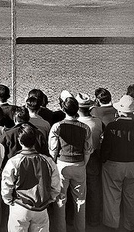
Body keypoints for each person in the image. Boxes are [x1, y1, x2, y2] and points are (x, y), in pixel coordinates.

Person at [1, 124, 61, 232]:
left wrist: (9, 200)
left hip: (20, 206)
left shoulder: (14, 162)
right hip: (41, 208)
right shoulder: (48, 161)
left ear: (20, 141)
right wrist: (51, 198)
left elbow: (7, 184)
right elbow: (56, 185)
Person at [48, 96, 93, 232]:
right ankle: (80, 229)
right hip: (79, 164)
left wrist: (55, 164)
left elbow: (53, 149)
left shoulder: (57, 126)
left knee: (61, 199)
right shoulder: (85, 128)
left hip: (62, 164)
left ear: (63, 109)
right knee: (80, 200)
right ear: (77, 109)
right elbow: (88, 149)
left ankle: (60, 229)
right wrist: (83, 164)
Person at [100, 94, 134, 231]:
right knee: (130, 196)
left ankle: (112, 224)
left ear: (120, 111)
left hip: (114, 164)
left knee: (112, 196)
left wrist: (102, 160)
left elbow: (106, 148)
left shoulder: (112, 126)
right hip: (132, 164)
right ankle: (129, 225)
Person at [75, 93, 103, 227]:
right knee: (94, 189)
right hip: (94, 157)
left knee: (76, 189)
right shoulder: (97, 121)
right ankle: (94, 219)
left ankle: (76, 219)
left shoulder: (76, 123)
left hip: (79, 158)